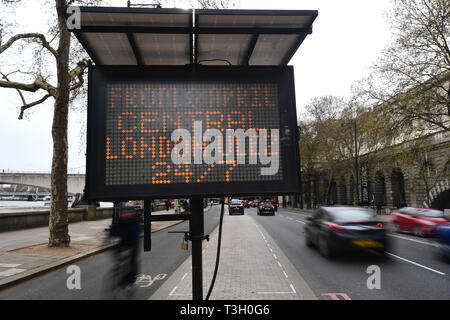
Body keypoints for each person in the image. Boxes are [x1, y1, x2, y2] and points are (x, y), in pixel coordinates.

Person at [109, 202, 140, 291]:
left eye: (128, 212)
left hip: (133, 243)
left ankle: (131, 281)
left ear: (132, 213)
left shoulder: (134, 222)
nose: (126, 214)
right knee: (119, 259)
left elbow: (135, 235)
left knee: (132, 262)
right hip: (122, 242)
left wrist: (131, 247)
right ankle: (119, 271)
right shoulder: (120, 220)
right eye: (124, 212)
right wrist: (109, 240)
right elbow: (113, 230)